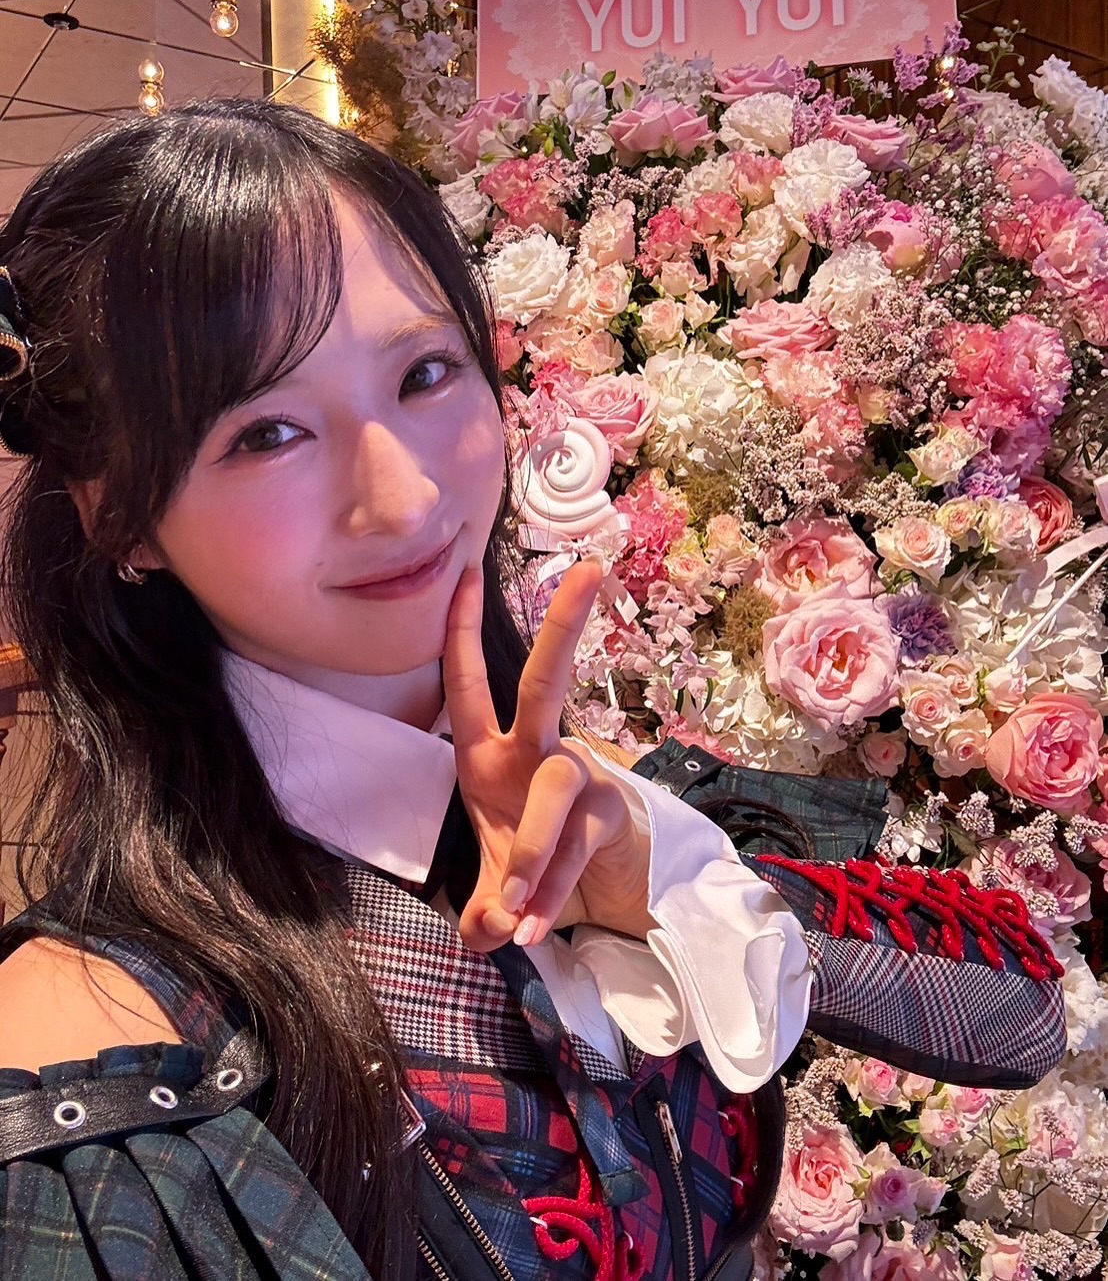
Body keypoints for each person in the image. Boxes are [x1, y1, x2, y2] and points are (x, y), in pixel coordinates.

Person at [0, 101, 1064, 1281]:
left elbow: (1023, 1017)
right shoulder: (94, 1054)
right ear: (118, 515)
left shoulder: (601, 800)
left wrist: (657, 876)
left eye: (424, 373)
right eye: (266, 434)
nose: (406, 498)